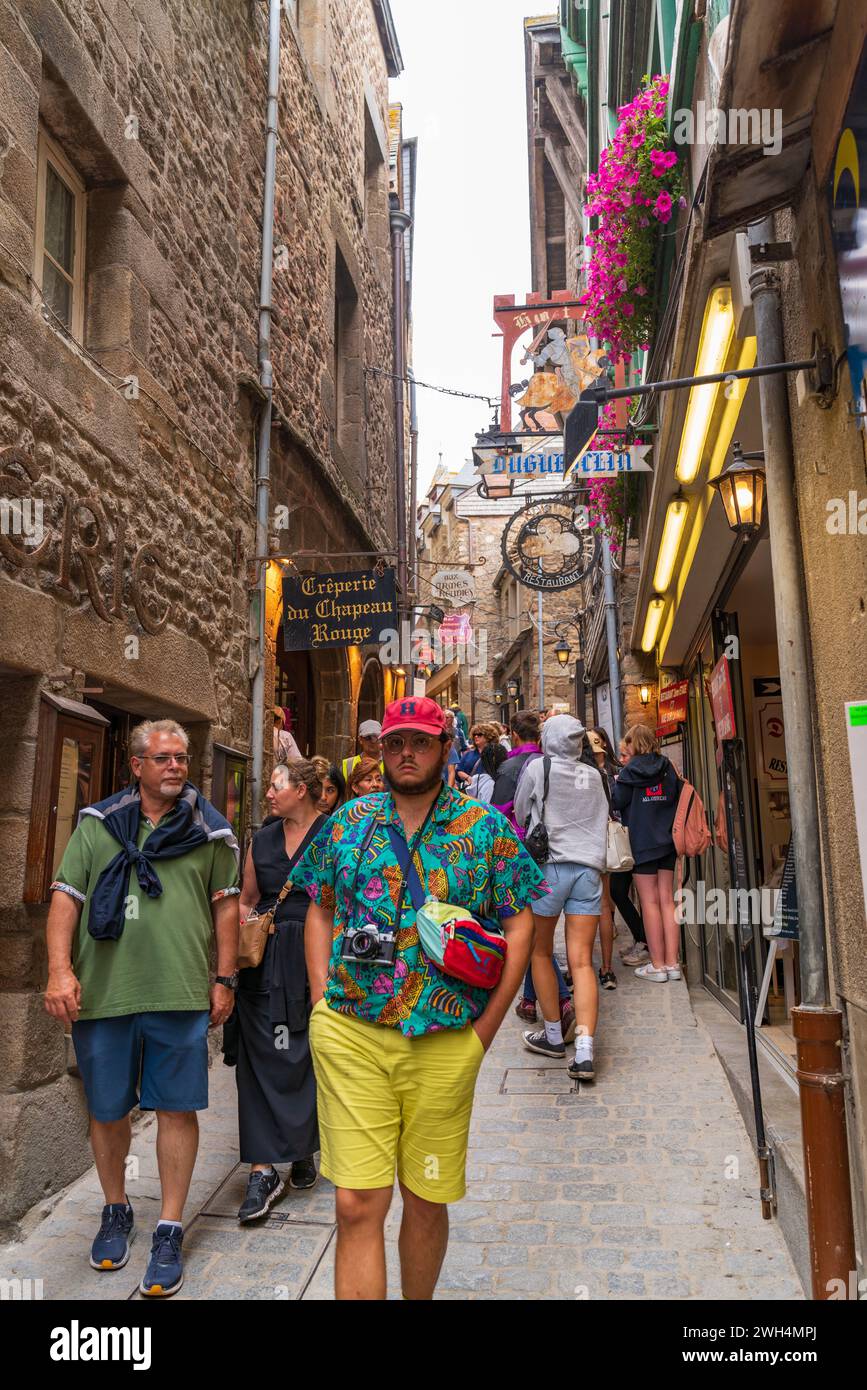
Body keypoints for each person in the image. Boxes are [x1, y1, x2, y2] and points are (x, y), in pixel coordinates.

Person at [295, 695, 544, 1300]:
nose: (406, 753)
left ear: (445, 747)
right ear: (380, 750)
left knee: (425, 1199)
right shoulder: (349, 823)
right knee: (356, 1204)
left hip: (443, 1042)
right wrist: (320, 1003)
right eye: (395, 742)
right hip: (352, 1032)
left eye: (421, 742)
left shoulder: (484, 829)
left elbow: (521, 926)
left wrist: (483, 1033)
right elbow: (319, 910)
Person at [43, 719, 240, 1297]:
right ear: (137, 766)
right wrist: (59, 970)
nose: (176, 766)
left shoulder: (210, 830)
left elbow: (226, 905)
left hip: (178, 992)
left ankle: (171, 1226)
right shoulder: (98, 825)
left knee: (177, 1109)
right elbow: (66, 897)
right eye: (163, 758)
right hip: (104, 994)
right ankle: (115, 1207)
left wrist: (224, 978)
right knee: (108, 1111)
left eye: (181, 757)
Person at [230, 761, 325, 1221]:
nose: (268, 792)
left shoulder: (332, 834)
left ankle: (303, 1146)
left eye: (275, 785)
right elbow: (248, 899)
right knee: (260, 1058)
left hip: (312, 960)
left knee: (306, 1054)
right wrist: (232, 959)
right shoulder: (262, 839)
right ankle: (262, 1169)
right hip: (264, 963)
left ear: (302, 791)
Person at [515, 714, 609, 1081]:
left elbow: (523, 811)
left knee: (539, 951)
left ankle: (554, 1035)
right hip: (588, 870)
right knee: (582, 961)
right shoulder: (596, 775)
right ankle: (584, 1048)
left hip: (550, 869)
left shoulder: (540, 767)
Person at [611, 724, 681, 983]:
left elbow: (617, 802)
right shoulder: (667, 766)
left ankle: (658, 964)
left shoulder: (630, 771)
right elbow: (675, 795)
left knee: (649, 903)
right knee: (667, 901)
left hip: (642, 841)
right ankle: (673, 963)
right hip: (667, 841)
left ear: (633, 744)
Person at [610, 736, 649, 966]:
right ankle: (642, 938)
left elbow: (617, 801)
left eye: (625, 755)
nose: (622, 759)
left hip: (632, 839)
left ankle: (646, 942)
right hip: (644, 840)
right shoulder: (659, 771)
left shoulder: (627, 775)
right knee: (620, 890)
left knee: (646, 898)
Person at [587, 728, 619, 990]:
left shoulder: (582, 774)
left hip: (582, 846)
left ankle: (582, 965)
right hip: (602, 843)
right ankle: (607, 969)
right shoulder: (606, 774)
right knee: (604, 906)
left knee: (582, 909)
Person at [491, 709, 543, 834]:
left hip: (520, 837)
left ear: (514, 735)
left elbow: (499, 812)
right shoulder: (550, 760)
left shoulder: (509, 766)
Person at [456, 722, 498, 788]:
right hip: (470, 789)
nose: (476, 736)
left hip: (489, 789)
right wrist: (468, 778)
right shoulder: (468, 754)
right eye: (474, 734)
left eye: (479, 734)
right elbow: (459, 770)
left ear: (488, 736)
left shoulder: (495, 754)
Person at [340, 720, 382, 784]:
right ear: (360, 739)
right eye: (368, 738)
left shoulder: (391, 763)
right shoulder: (348, 765)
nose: (372, 741)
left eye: (376, 737)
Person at [441, 708, 461, 787]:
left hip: (454, 759)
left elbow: (451, 771)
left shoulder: (458, 731)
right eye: (446, 717)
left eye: (451, 717)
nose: (449, 719)